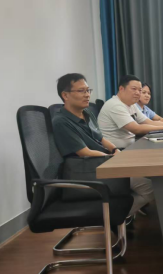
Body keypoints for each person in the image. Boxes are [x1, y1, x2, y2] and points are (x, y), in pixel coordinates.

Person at [51, 73, 149, 214]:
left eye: (88, 90)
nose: (87, 95)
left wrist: (114, 149)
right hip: (87, 170)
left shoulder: (87, 113)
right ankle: (115, 217)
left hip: (102, 162)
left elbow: (101, 138)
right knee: (148, 187)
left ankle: (117, 215)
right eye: (81, 91)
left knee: (146, 176)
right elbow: (85, 153)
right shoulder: (61, 121)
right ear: (65, 95)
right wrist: (112, 158)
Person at [98, 75, 163, 149]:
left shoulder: (131, 105)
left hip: (132, 146)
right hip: (117, 151)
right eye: (134, 89)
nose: (137, 93)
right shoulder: (115, 105)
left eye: (139, 90)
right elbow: (137, 129)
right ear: (121, 89)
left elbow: (149, 122)